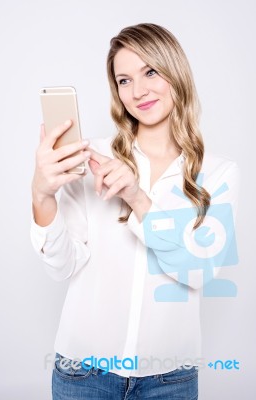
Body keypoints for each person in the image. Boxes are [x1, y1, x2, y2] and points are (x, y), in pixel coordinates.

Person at [31, 23, 239, 400]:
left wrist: (137, 197)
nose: (138, 91)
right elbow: (61, 266)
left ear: (175, 72)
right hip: (83, 374)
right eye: (123, 80)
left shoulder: (219, 172)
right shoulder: (91, 157)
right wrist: (41, 196)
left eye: (150, 72)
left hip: (170, 380)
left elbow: (198, 271)